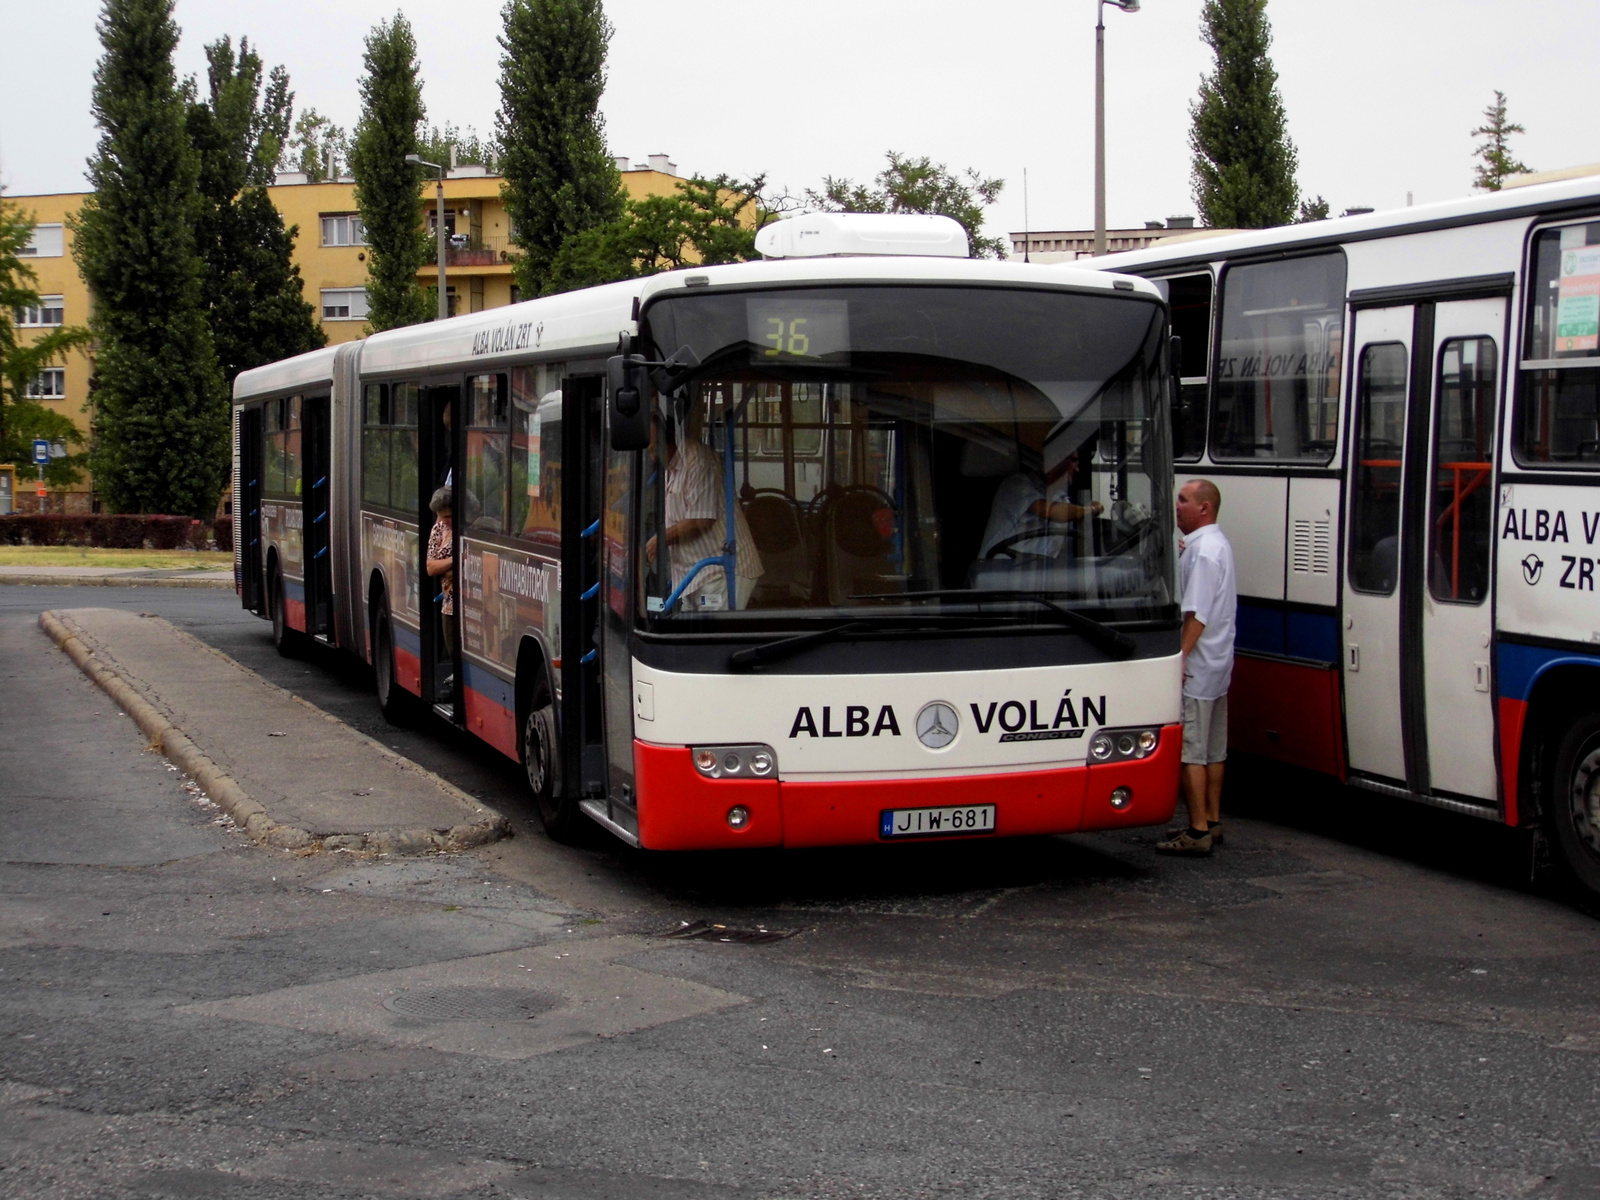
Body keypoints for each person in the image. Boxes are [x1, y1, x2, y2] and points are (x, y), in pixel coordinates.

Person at [1157, 479, 1236, 856]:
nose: (1177, 506)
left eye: (1184, 500)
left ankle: (1197, 829)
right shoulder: (1216, 544)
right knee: (1214, 750)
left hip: (1199, 668)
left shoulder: (1203, 553)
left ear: (1204, 508)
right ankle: (1213, 819)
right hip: (1220, 664)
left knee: (1192, 752)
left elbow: (1197, 616)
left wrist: (1179, 659)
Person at [646, 413, 763, 610]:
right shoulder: (669, 464)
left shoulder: (698, 460)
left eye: (656, 448)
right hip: (692, 574)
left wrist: (660, 539)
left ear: (671, 437)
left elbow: (701, 519)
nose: (653, 457)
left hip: (721, 571)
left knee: (712, 636)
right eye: (649, 451)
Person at [979, 440, 1104, 560]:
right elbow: (1053, 512)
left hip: (1036, 577)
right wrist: (1089, 509)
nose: (1077, 469)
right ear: (1056, 460)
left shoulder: (1062, 500)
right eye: (1074, 460)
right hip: (996, 574)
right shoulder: (1017, 485)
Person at [425, 485, 455, 699]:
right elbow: (430, 567)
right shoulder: (438, 529)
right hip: (449, 601)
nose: (445, 521)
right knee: (451, 647)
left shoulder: (472, 526)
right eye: (441, 517)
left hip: (467, 600)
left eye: (449, 516)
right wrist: (453, 561)